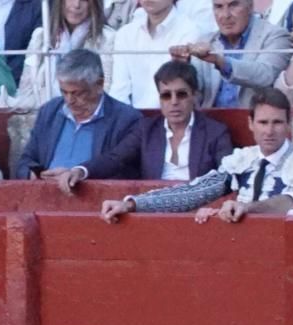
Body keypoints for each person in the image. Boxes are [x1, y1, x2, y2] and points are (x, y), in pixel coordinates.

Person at [99, 86, 293, 218]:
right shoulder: (242, 161)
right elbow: (192, 193)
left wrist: (247, 209)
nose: (269, 131)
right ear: (250, 124)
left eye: (277, 122)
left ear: (289, 124)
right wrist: (132, 204)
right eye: (263, 122)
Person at [58, 59, 232, 189]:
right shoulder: (146, 129)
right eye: (166, 95)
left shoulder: (215, 132)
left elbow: (227, 177)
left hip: (199, 209)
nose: (174, 102)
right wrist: (81, 170)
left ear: (194, 96)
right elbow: (114, 158)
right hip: (152, 207)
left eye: (181, 94)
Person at [13, 49, 141, 179]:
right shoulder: (50, 111)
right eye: (64, 92)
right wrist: (34, 175)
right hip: (46, 192)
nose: (69, 101)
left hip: (95, 196)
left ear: (99, 84)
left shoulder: (125, 119)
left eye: (77, 93)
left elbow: (120, 169)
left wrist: (77, 176)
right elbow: (25, 161)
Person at [168, 0, 290, 107]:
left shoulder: (275, 36)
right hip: (211, 124)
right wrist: (183, 69)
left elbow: (265, 75)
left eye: (233, 5)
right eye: (219, 7)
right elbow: (197, 94)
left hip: (255, 124)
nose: (225, 15)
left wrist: (221, 62)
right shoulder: (205, 41)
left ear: (250, 6)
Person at [15, 0, 114, 107]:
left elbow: (105, 91)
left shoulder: (107, 39)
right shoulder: (40, 36)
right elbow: (26, 92)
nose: (77, 5)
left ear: (94, 4)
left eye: (84, 0)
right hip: (43, 115)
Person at [109, 0, 207, 107]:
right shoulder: (125, 34)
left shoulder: (190, 31)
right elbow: (119, 91)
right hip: (132, 118)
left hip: (173, 116)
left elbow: (196, 90)